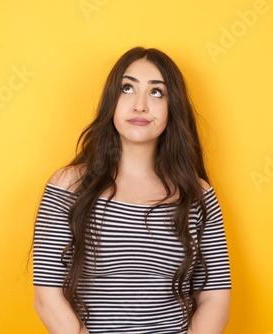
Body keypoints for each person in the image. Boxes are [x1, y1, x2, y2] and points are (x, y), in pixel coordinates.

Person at [33, 46, 231, 334]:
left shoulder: (197, 194)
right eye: (127, 88)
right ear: (111, 102)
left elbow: (215, 297)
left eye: (156, 92)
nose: (140, 105)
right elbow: (46, 296)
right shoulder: (68, 186)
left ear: (172, 107)